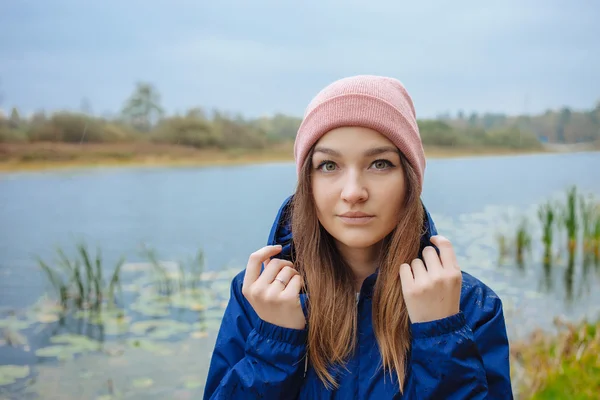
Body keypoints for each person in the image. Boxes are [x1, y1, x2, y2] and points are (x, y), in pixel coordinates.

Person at [203, 75, 513, 399]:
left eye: (380, 164)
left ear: (410, 180)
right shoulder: (259, 296)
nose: (353, 192)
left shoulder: (468, 305)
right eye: (328, 165)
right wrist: (274, 343)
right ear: (306, 182)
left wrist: (441, 335)